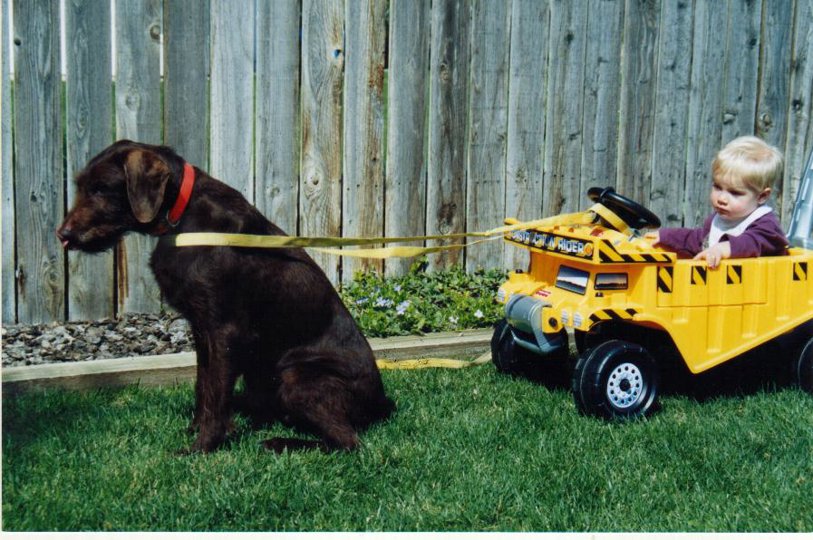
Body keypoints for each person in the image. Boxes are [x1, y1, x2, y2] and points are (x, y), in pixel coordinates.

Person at [649, 136, 789, 269]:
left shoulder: (767, 227)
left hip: (766, 284)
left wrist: (721, 249)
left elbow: (751, 243)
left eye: (735, 193)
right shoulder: (718, 220)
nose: (722, 198)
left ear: (762, 196)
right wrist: (665, 236)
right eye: (717, 187)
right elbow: (698, 240)